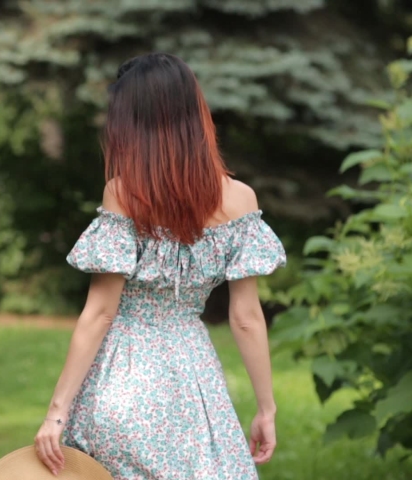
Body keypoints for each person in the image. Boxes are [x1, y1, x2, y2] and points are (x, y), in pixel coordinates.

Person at [33, 53, 286, 479]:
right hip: (193, 385)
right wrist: (266, 408)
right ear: (195, 115)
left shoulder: (124, 193)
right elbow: (245, 318)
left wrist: (56, 414)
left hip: (122, 382)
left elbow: (100, 312)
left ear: (131, 124)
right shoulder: (241, 200)